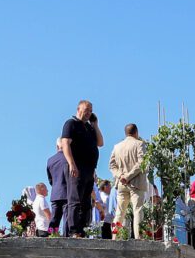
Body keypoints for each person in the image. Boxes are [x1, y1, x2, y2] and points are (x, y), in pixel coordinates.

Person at [57, 100, 103, 238]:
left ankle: (82, 230)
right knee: (75, 200)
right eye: (86, 109)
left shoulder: (89, 127)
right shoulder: (71, 124)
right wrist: (71, 164)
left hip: (89, 170)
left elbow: (100, 143)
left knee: (86, 202)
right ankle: (73, 231)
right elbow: (65, 143)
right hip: (77, 167)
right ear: (78, 109)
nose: (88, 113)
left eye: (91, 111)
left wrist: (95, 125)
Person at [109, 123, 150, 240]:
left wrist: (120, 176)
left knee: (120, 212)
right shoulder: (140, 144)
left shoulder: (117, 146)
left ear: (126, 133)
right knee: (138, 210)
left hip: (121, 184)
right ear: (136, 132)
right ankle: (139, 237)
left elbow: (112, 165)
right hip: (136, 183)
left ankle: (115, 236)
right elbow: (141, 163)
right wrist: (128, 176)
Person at [45, 148, 71, 235]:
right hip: (67, 192)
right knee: (67, 219)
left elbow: (50, 179)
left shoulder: (50, 160)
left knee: (54, 219)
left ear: (57, 146)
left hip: (55, 193)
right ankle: (66, 237)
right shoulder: (69, 157)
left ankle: (50, 236)